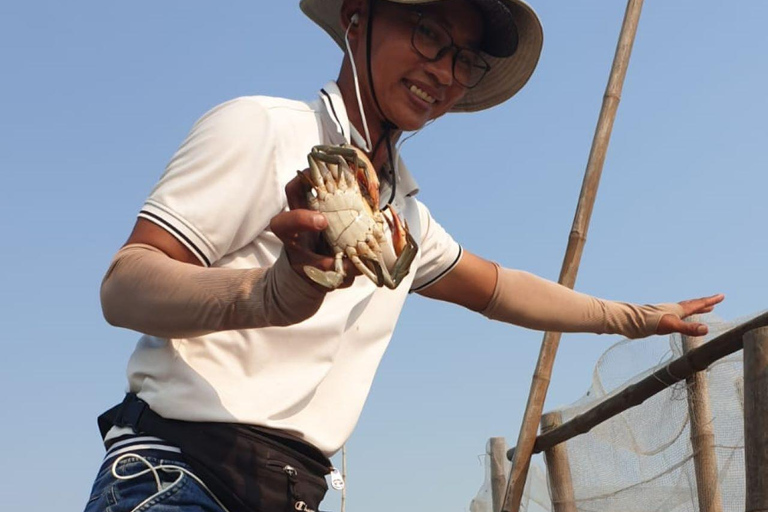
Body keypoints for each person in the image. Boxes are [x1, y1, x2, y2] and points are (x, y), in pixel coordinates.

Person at [83, 0, 724, 511]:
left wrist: (635, 317)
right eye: (427, 33)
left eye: (464, 59)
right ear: (357, 17)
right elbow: (125, 284)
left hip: (292, 490)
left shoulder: (404, 219)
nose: (444, 71)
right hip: (178, 476)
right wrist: (267, 293)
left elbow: (502, 289)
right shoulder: (267, 129)